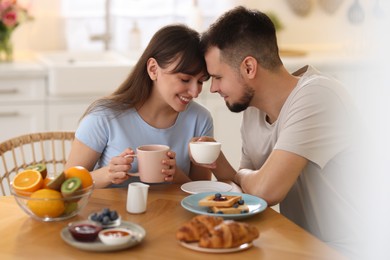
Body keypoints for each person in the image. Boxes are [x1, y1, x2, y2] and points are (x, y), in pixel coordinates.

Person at [195, 6, 365, 258]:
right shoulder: (251, 112)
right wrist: (227, 171)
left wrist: (237, 174)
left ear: (249, 67)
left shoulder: (317, 95)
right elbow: (249, 199)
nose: (213, 88)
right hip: (299, 243)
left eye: (217, 77)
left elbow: (266, 191)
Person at [65, 24, 213, 188]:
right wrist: (107, 174)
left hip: (173, 213)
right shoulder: (104, 117)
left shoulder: (200, 119)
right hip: (114, 213)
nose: (195, 91)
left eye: (200, 81)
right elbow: (67, 185)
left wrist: (177, 176)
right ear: (153, 69)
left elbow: (203, 193)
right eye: (185, 79)